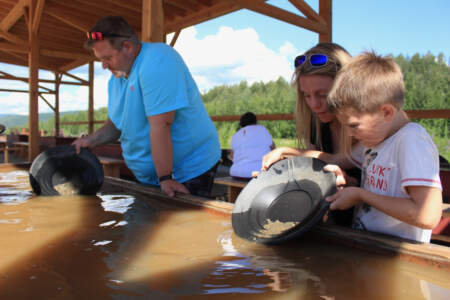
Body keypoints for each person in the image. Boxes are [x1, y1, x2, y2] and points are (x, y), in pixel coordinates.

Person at [73, 16, 221, 197]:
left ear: (127, 47)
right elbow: (116, 124)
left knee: (180, 223)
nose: (104, 66)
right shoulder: (116, 79)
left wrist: (165, 177)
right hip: (151, 176)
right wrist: (91, 140)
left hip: (187, 169)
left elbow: (161, 124)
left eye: (107, 58)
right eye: (100, 60)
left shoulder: (157, 60)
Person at [325, 51, 442, 243]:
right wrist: (350, 183)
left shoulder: (411, 140)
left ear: (386, 112)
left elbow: (427, 216)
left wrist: (361, 195)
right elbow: (335, 160)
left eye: (353, 125)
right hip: (370, 246)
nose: (350, 134)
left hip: (399, 258)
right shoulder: (376, 141)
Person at [260, 42, 358, 226]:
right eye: (306, 95)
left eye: (323, 95)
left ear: (347, 89)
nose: (314, 104)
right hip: (334, 225)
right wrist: (282, 173)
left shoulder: (368, 127)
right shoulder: (317, 125)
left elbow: (346, 162)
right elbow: (315, 167)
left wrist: (288, 152)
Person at [229, 112, 275, 178]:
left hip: (236, 172)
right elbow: (273, 150)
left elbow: (232, 156)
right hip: (259, 172)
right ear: (255, 121)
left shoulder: (235, 136)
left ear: (241, 123)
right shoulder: (262, 130)